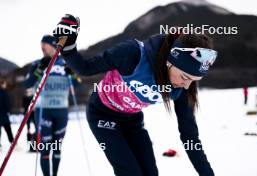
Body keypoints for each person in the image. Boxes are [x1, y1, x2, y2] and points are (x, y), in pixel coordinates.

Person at [53, 14, 217, 176]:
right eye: (184, 77)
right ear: (170, 61)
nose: (187, 85)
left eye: (194, 80)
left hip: (131, 120)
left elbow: (190, 137)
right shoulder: (133, 54)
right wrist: (68, 47)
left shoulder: (183, 88)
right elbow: (86, 68)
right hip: (102, 115)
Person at [23, 35, 80, 176]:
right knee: (45, 147)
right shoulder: (37, 64)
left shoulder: (65, 63)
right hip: (44, 110)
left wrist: (72, 74)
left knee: (57, 147)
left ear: (53, 46)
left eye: (45, 45)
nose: (42, 48)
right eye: (41, 46)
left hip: (61, 111)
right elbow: (27, 84)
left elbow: (78, 83)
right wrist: (38, 71)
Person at [0, 78, 14, 147]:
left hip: (3, 113)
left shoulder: (3, 91)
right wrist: (8, 110)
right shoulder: (3, 92)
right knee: (8, 129)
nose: (5, 85)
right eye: (4, 84)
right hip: (3, 114)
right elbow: (7, 103)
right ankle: (12, 142)